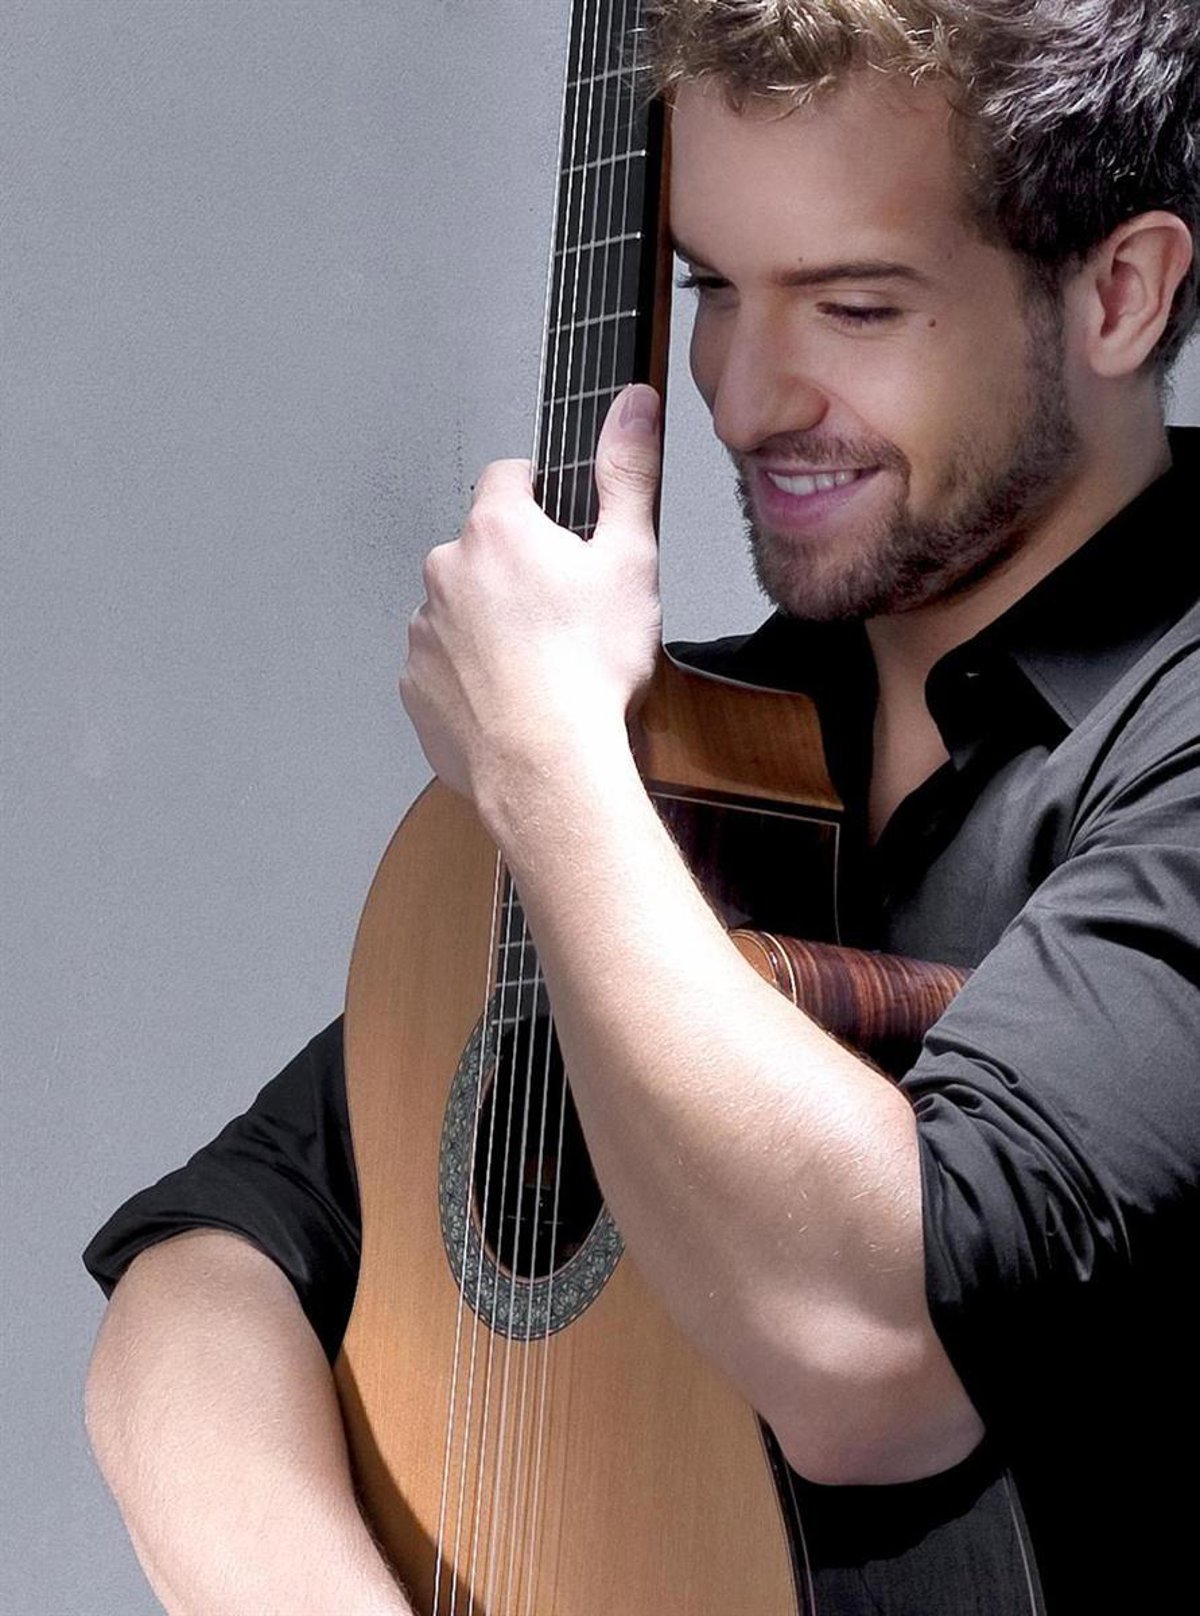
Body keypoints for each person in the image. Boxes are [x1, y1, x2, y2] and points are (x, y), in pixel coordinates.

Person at [84, 2, 1200, 1611]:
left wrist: (549, 775)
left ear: (1120, 292)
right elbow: (207, 1269)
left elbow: (874, 1351)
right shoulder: (703, 754)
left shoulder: (588, 776)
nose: (740, 396)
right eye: (710, 289)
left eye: (856, 305)